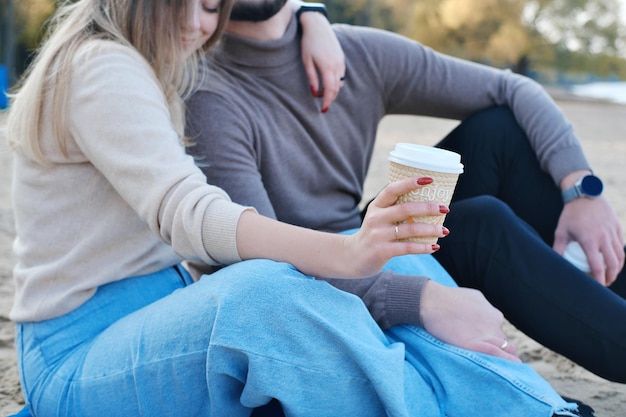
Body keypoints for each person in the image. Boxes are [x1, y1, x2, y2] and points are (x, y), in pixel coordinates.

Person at [4, 0, 583, 416]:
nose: (198, 23)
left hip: (151, 321)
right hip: (80, 358)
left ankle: (533, 405)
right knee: (264, 296)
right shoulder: (102, 65)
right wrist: (348, 251)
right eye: (190, 2)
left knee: (396, 272)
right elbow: (187, 214)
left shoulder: (154, 61)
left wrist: (312, 13)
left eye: (213, 7)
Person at [184, 0, 626, 385]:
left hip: (363, 233)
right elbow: (263, 264)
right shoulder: (208, 93)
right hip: (310, 278)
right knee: (479, 226)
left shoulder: (354, 52)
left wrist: (582, 190)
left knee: (499, 132)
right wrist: (419, 297)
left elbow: (514, 88)